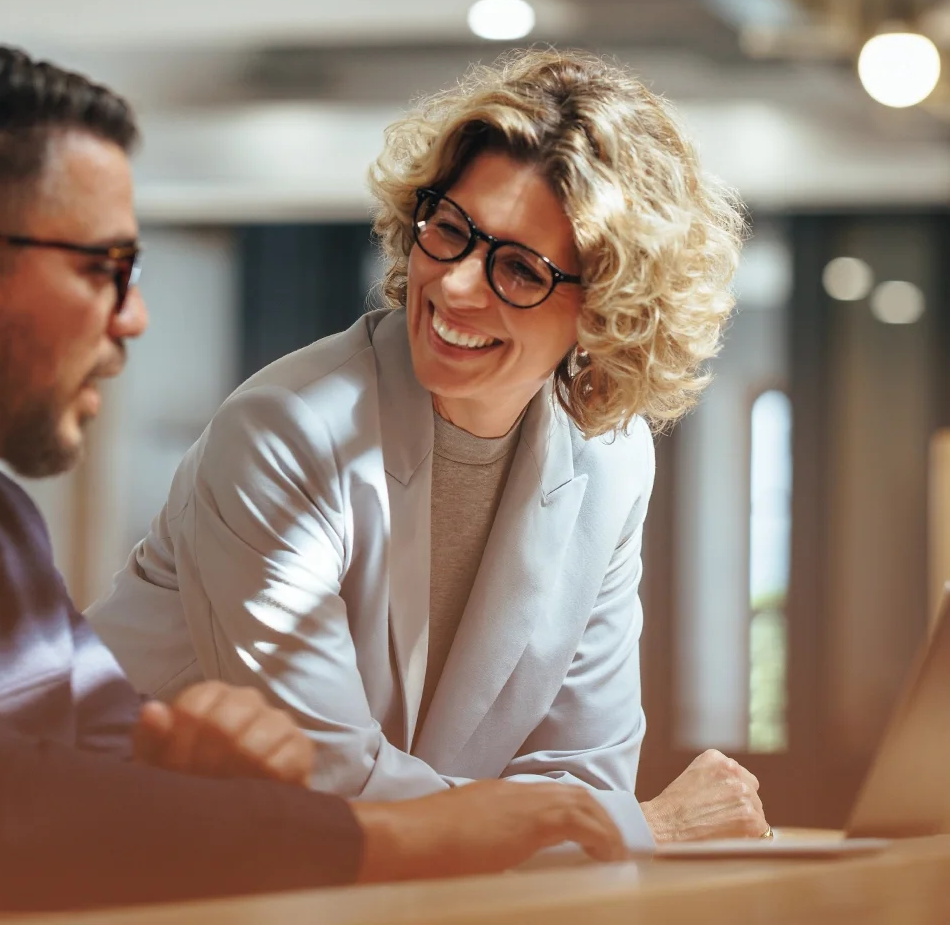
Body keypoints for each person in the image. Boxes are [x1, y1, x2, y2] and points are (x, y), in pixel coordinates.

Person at [0, 36, 629, 925]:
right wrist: (419, 833)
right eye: (105, 267)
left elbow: (99, 757)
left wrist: (194, 778)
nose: (134, 317)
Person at [91, 49, 769, 848]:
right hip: (109, 864)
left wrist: (591, 821)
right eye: (449, 229)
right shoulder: (286, 429)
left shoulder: (610, 458)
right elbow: (332, 782)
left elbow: (582, 767)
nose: (453, 284)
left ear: (608, 311)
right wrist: (642, 826)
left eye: (518, 269)